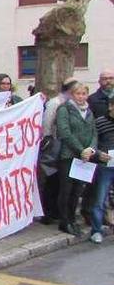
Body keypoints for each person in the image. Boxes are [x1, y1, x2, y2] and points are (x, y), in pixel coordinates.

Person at [56, 83, 97, 236]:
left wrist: (90, 149)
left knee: (77, 189)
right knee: (66, 189)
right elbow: (64, 132)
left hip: (85, 157)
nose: (81, 97)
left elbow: (94, 132)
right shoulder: (64, 109)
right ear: (72, 95)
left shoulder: (89, 111)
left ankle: (73, 219)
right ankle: (64, 220)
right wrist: (81, 150)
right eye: (77, 94)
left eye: (83, 94)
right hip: (69, 155)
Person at [38, 78, 79, 225]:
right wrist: (48, 140)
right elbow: (47, 124)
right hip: (55, 144)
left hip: (67, 147)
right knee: (51, 179)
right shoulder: (55, 103)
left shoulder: (73, 104)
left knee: (62, 181)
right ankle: (48, 212)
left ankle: (57, 210)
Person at [88, 99, 114, 243]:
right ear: (111, 106)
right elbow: (92, 142)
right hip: (105, 166)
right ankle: (96, 230)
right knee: (100, 199)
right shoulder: (100, 122)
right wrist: (98, 154)